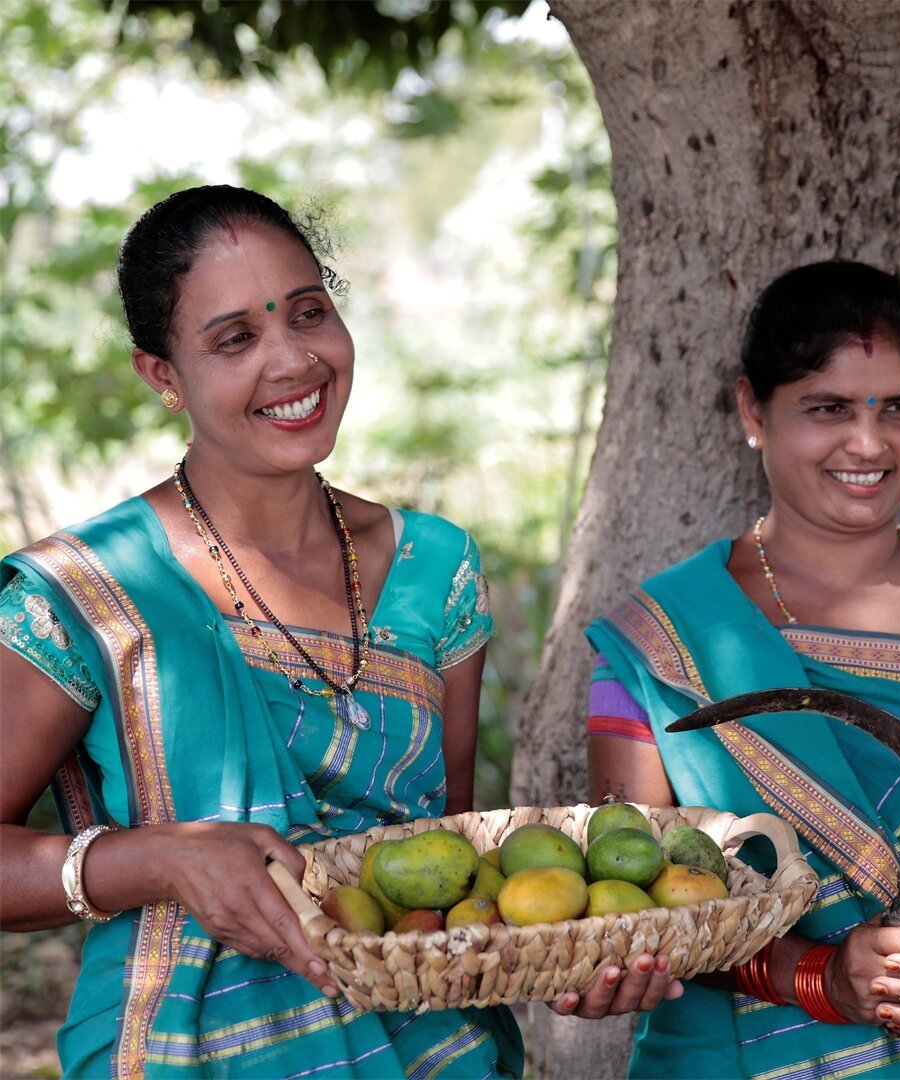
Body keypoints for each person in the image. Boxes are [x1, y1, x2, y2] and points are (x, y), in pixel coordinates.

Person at [0, 185, 524, 1078]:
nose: (292, 360)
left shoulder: (436, 568)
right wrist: (160, 859)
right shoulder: (89, 590)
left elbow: (449, 852)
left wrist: (578, 946)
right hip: (181, 1053)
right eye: (235, 338)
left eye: (309, 313)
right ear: (162, 375)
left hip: (432, 1050)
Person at [573, 261, 900, 1076]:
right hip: (740, 1047)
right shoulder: (665, 638)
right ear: (752, 409)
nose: (870, 444)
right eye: (828, 408)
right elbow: (640, 893)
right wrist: (822, 977)